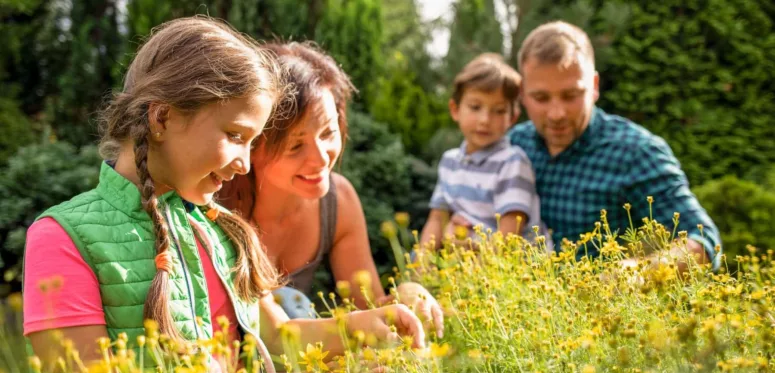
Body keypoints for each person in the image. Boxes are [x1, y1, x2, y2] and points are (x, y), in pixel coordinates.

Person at [22, 17, 426, 371]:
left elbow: (278, 338)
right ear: (161, 117)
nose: (245, 165)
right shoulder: (64, 237)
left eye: (253, 142)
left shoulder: (222, 232)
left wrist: (365, 326)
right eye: (235, 136)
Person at [216, 41, 444, 336]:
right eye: (295, 145)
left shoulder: (338, 202)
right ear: (252, 144)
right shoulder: (215, 203)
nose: (321, 158)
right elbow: (273, 336)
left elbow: (369, 307)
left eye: (328, 132)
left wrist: (411, 295)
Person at [508, 21, 722, 271]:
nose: (557, 113)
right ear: (522, 93)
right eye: (541, 98)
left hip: (601, 306)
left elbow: (704, 243)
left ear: (595, 86)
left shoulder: (635, 151)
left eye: (571, 95)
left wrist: (635, 274)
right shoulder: (513, 144)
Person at [419, 53, 552, 251]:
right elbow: (437, 219)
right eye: (475, 107)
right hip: (464, 262)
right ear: (455, 110)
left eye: (499, 111)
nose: (485, 120)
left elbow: (509, 236)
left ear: (512, 117)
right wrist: (423, 264)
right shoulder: (450, 161)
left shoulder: (512, 162)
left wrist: (466, 249)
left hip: (510, 268)